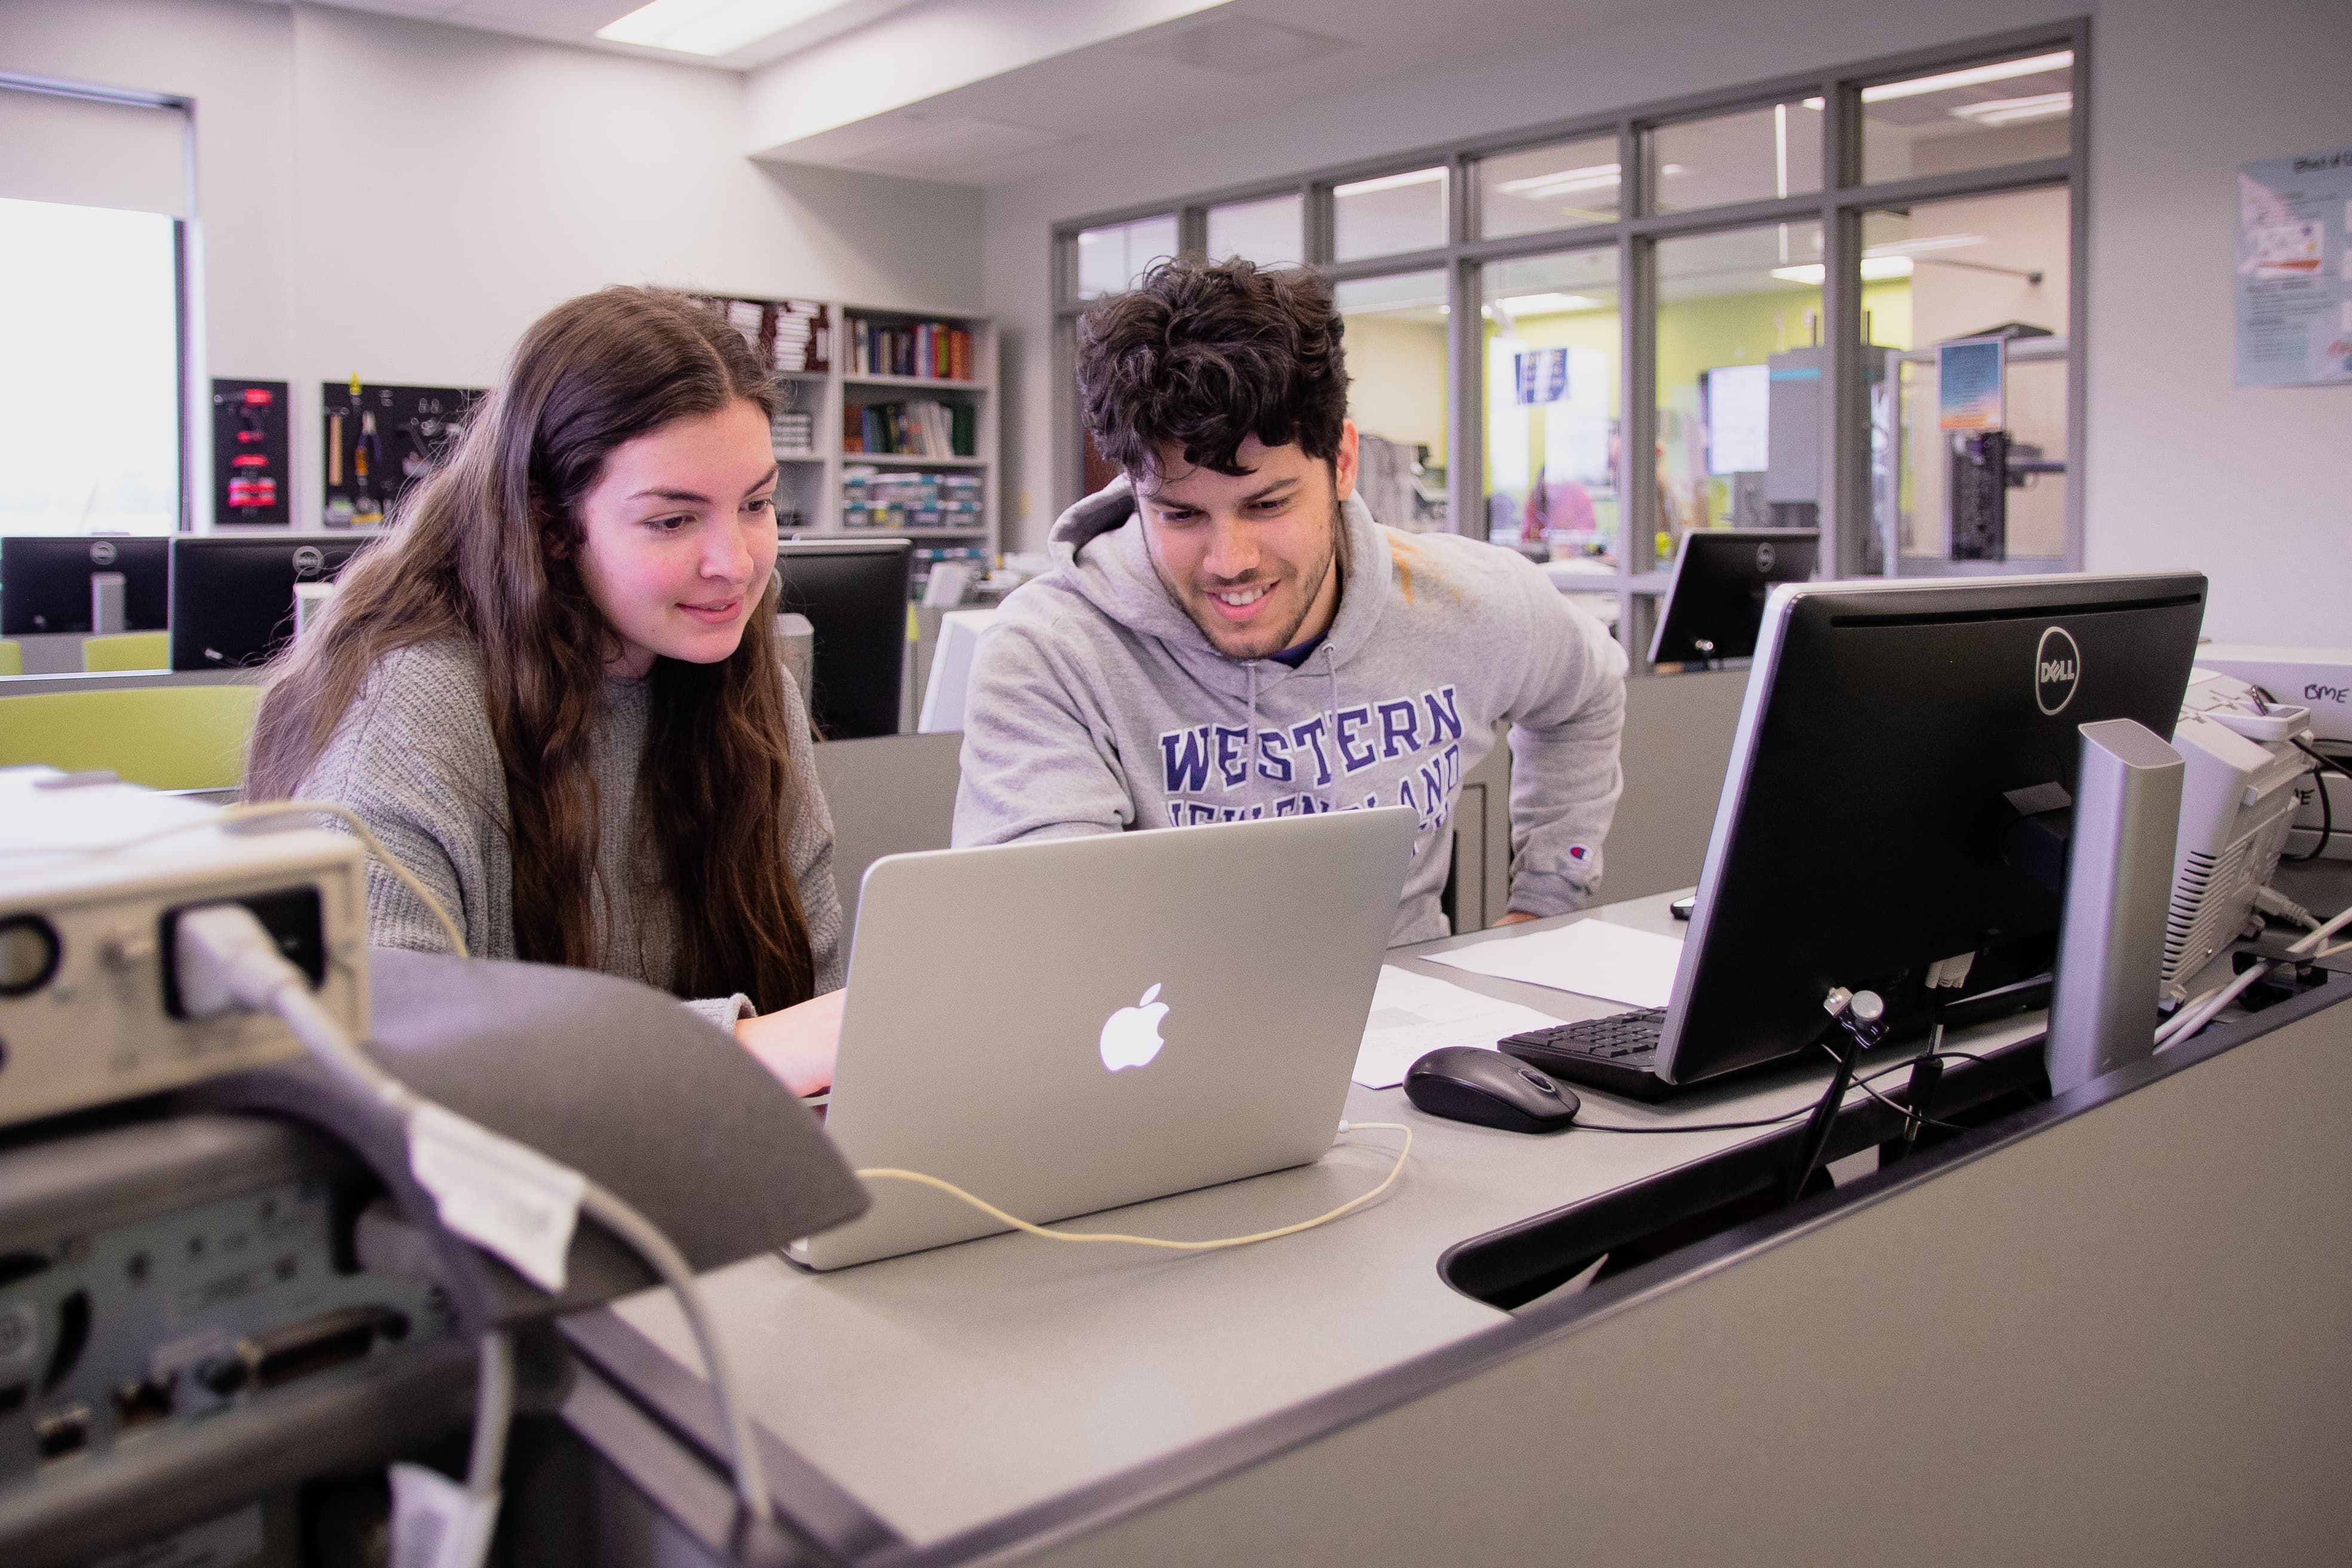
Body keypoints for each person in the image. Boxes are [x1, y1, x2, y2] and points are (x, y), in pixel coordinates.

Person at [244, 286, 842, 1093]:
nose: (734, 562)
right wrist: (732, 1051)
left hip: (720, 1177)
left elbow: (816, 994)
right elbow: (364, 1043)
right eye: (673, 520)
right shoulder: (411, 703)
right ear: (553, 526)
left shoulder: (750, 688)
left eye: (757, 505)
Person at [953, 258, 1628, 945]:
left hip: (1418, 1028)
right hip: (1166, 1040)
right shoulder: (1052, 652)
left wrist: (1548, 901)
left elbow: (1588, 691)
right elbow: (1051, 947)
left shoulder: (1462, 599)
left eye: (1268, 503)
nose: (1230, 561)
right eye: (1181, 516)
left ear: (1341, 462)